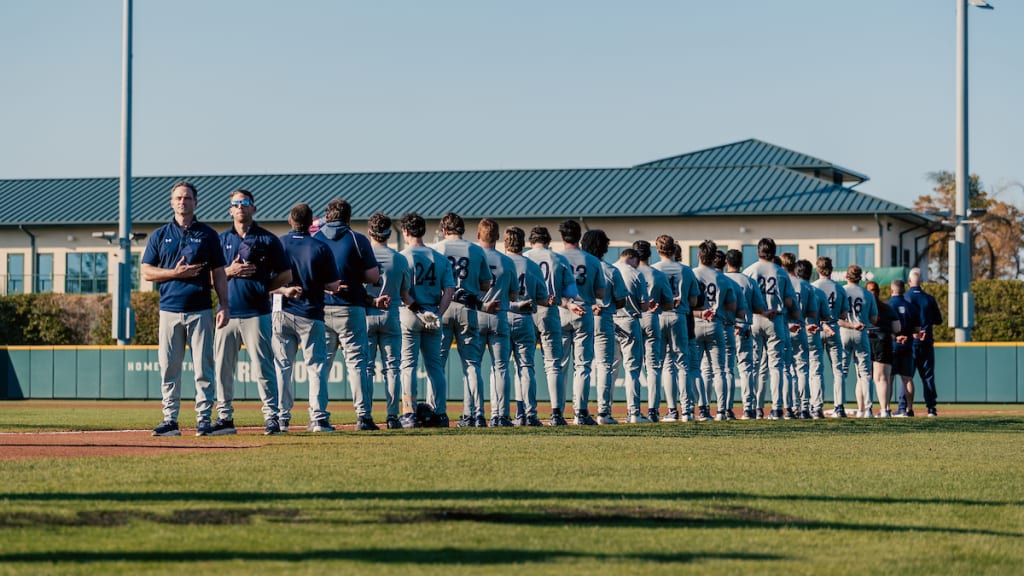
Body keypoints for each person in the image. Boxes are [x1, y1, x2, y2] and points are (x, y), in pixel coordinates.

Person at [143, 181, 229, 437]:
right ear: (171, 202)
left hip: (200, 309)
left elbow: (219, 274)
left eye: (187, 198)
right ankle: (170, 420)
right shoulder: (160, 235)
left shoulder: (208, 235)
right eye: (178, 198)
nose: (183, 202)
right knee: (169, 367)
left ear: (196, 202)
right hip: (169, 310)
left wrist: (224, 304)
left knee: (204, 367)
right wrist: (174, 273)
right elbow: (147, 271)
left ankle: (204, 419)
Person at [213, 188, 291, 436]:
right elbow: (209, 276)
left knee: (263, 368)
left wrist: (263, 288)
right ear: (230, 210)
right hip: (227, 312)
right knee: (223, 369)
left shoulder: (268, 239)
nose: (240, 207)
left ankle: (272, 417)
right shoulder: (220, 240)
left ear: (254, 208)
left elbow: (286, 275)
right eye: (235, 203)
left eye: (245, 203)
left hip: (257, 312)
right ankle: (224, 417)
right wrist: (229, 271)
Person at [272, 203, 343, 433]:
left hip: (281, 311)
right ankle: (319, 418)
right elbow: (333, 285)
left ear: (290, 220)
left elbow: (268, 281)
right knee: (316, 367)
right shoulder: (320, 247)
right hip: (311, 313)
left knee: (283, 366)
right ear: (311, 222)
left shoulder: (279, 244)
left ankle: (281, 418)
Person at [315, 199, 381, 431]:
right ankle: (363, 416)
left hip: (320, 308)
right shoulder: (357, 238)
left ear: (327, 215)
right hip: (350, 307)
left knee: (321, 365)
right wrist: (353, 274)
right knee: (357, 363)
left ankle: (319, 416)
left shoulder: (316, 238)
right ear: (348, 217)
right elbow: (373, 276)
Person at [434, 212, 493, 427]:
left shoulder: (437, 248)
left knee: (437, 364)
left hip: (443, 306)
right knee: (471, 364)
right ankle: (475, 414)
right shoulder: (476, 250)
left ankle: (437, 412)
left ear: (444, 229)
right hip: (468, 306)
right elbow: (486, 284)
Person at [398, 212, 456, 428]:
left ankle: (409, 413)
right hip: (433, 313)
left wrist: (419, 311)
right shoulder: (439, 257)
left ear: (405, 231)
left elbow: (403, 292)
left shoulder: (402, 256)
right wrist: (438, 313)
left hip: (410, 313)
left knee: (408, 366)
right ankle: (440, 413)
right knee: (435, 367)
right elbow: (449, 290)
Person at [526, 226, 584, 425]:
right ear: (549, 241)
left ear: (530, 241)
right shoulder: (559, 259)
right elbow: (571, 292)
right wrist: (569, 303)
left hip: (526, 311)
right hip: (550, 311)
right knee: (553, 365)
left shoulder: (524, 257)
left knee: (525, 364)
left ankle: (524, 412)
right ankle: (556, 414)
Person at [364, 212, 413, 429]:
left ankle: (364, 414)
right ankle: (392, 416)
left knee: (365, 367)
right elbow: (406, 295)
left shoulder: (362, 257)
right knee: (392, 368)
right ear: (389, 233)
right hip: (391, 315)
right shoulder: (400, 259)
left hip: (366, 314)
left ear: (369, 232)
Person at [743, 238, 798, 420]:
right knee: (776, 366)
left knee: (755, 365)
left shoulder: (749, 270)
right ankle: (776, 409)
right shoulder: (781, 272)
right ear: (774, 252)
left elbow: (744, 297)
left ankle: (755, 408)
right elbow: (790, 301)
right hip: (775, 318)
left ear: (758, 251)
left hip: (755, 318)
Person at [557, 220, 606, 425]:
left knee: (558, 366)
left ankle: (556, 413)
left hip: (560, 311)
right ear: (579, 237)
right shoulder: (592, 260)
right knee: (583, 366)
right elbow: (600, 292)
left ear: (562, 236)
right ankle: (581, 412)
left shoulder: (556, 258)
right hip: (584, 309)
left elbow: (552, 291)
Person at [504, 226, 549, 427]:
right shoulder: (532, 266)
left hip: (502, 316)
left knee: (501, 368)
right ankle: (529, 414)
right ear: (523, 243)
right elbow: (543, 298)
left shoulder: (499, 262)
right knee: (525, 368)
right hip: (524, 318)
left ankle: (503, 414)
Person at [652, 235, 700, 422]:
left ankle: (672, 410)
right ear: (674, 249)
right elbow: (695, 300)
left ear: (658, 250)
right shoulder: (686, 270)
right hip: (679, 316)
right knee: (682, 363)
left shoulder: (654, 269)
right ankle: (687, 410)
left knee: (665, 365)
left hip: (659, 316)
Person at [581, 229, 626, 425]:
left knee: (580, 365)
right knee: (604, 365)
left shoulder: (576, 266)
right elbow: (622, 300)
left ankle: (579, 411)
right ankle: (603, 412)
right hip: (604, 317)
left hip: (579, 315)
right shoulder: (611, 269)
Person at [477, 218, 518, 427]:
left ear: (478, 235)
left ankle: (475, 414)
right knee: (500, 368)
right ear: (498, 237)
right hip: (499, 315)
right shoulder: (507, 261)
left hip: (476, 314)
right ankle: (500, 415)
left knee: (473, 366)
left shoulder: (473, 256)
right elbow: (514, 294)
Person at [692, 240, 736, 421]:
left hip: (695, 322)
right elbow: (732, 305)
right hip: (716, 323)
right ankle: (721, 411)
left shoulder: (692, 273)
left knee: (696, 369)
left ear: (699, 256)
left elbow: (688, 303)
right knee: (720, 370)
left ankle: (702, 409)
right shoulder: (723, 278)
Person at [633, 239, 675, 422]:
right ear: (649, 254)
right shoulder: (657, 274)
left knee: (632, 367)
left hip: (632, 317)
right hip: (652, 317)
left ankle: (633, 410)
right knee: (653, 367)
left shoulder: (628, 272)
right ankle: (652, 410)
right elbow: (668, 303)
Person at [724, 249, 768, 420]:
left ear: (727, 262)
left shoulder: (723, 279)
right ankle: (749, 408)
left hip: (726, 326)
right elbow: (759, 307)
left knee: (726, 369)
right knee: (746, 369)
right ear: (740, 263)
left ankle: (726, 408)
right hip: (744, 327)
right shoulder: (748, 281)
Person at [812, 256, 853, 418]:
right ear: (831, 269)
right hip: (834, 327)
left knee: (816, 370)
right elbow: (844, 313)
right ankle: (839, 406)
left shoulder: (813, 286)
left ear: (818, 269)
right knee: (838, 369)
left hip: (816, 328)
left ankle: (817, 407)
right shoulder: (840, 288)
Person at [614, 249, 651, 423]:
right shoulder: (636, 273)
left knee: (608, 369)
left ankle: (603, 411)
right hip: (629, 320)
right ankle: (634, 412)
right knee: (632, 370)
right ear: (632, 258)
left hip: (608, 321)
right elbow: (644, 306)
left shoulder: (609, 268)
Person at [780, 251, 819, 419]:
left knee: (786, 370)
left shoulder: (780, 281)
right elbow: (812, 311)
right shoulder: (805, 285)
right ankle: (804, 408)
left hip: (784, 328)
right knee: (802, 370)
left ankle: (790, 407)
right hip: (801, 327)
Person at [797, 259, 833, 419]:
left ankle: (800, 406)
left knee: (798, 371)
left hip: (796, 332)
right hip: (813, 332)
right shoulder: (817, 291)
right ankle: (816, 408)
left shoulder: (789, 288)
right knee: (816, 372)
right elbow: (827, 315)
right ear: (810, 273)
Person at [841, 264, 878, 418]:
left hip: (843, 332)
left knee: (841, 371)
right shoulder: (867, 294)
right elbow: (874, 318)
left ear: (846, 276)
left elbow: (835, 315)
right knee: (865, 373)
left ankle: (839, 407)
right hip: (861, 332)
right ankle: (868, 409)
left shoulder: (841, 290)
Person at [905, 267, 943, 417]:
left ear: (909, 281)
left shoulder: (905, 298)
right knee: (928, 376)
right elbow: (938, 320)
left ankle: (905, 407)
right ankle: (931, 408)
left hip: (909, 342)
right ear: (921, 281)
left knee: (907, 376)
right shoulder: (929, 299)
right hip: (926, 342)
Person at [866, 280, 900, 417]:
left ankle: (864, 410)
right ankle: (884, 410)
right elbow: (897, 328)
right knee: (882, 378)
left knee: (864, 377)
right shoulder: (887, 308)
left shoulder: (863, 307)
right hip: (883, 340)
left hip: (867, 341)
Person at [888, 279, 921, 417]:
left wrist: (896, 337)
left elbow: (885, 328)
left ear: (892, 290)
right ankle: (909, 409)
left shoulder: (888, 305)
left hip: (892, 345)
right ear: (904, 289)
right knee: (907, 378)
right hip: (907, 345)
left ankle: (886, 408)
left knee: (889, 378)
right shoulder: (911, 306)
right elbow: (917, 330)